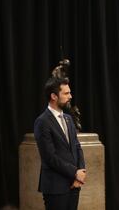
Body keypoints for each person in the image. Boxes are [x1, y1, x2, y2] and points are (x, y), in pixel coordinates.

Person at [34, 76, 86, 209]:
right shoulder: (42, 122)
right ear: (54, 96)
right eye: (66, 93)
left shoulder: (69, 119)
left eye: (70, 92)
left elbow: (77, 147)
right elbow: (49, 157)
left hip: (74, 185)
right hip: (55, 187)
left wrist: (80, 175)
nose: (70, 96)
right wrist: (75, 172)